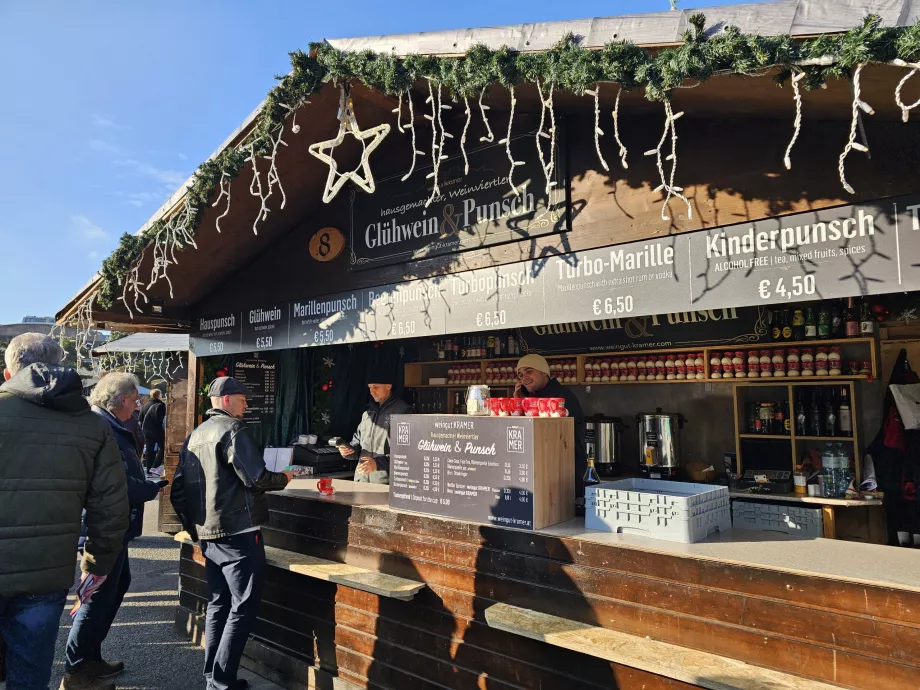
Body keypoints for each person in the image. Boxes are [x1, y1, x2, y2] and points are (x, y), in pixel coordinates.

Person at [0, 333, 129, 690]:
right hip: (45, 575)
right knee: (30, 673)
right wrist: (97, 567)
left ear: (8, 374)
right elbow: (111, 509)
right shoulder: (92, 425)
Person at [171, 377, 294, 690]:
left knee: (218, 603)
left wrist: (195, 531)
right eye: (242, 399)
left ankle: (214, 676)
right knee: (244, 606)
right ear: (226, 400)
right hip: (239, 533)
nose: (247, 405)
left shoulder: (195, 435)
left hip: (210, 534)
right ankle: (222, 680)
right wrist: (286, 477)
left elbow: (178, 493)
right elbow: (257, 477)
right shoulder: (233, 430)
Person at [62, 372, 167, 689]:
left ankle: (89, 658)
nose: (138, 406)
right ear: (122, 400)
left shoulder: (108, 424)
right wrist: (150, 488)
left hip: (110, 525)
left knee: (115, 586)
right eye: (135, 400)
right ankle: (76, 669)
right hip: (102, 527)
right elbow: (116, 483)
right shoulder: (103, 427)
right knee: (96, 596)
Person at [514, 354, 587, 502]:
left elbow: (554, 438)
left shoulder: (562, 397)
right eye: (520, 375)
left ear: (544, 372)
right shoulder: (530, 398)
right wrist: (518, 402)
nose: (524, 378)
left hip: (566, 476)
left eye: (529, 371)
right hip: (540, 473)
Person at [337, 369, 413, 484]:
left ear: (388, 386)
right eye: (370, 387)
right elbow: (357, 444)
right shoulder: (367, 414)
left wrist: (378, 463)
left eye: (376, 387)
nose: (372, 391)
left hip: (387, 485)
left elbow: (408, 452)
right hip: (361, 481)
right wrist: (349, 451)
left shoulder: (403, 411)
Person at [139, 389, 166, 472]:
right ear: (158, 395)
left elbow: (140, 418)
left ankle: (148, 469)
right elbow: (161, 418)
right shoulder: (161, 404)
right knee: (164, 448)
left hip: (146, 431)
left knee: (149, 449)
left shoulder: (145, 405)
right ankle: (155, 466)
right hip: (157, 430)